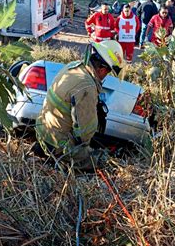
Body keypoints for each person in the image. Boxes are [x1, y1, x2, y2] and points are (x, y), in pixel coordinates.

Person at [34, 40, 125, 171]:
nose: (106, 75)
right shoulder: (87, 87)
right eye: (108, 72)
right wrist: (87, 150)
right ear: (102, 68)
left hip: (42, 130)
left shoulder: (74, 67)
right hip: (57, 145)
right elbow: (84, 134)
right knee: (102, 161)